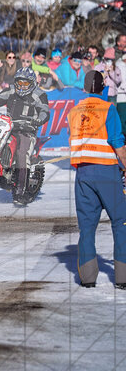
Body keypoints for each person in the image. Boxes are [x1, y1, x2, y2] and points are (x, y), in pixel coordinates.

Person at [68, 70, 126, 289]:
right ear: (104, 87)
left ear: (84, 88)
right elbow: (117, 143)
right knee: (121, 221)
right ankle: (122, 276)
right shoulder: (109, 109)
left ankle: (88, 278)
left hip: (83, 174)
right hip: (106, 173)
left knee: (87, 227)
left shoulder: (74, 111)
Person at [0, 68, 50, 204]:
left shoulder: (39, 94)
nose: (21, 87)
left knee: (22, 154)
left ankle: (20, 192)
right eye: (19, 83)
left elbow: (45, 110)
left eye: (25, 84)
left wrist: (39, 120)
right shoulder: (11, 90)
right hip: (8, 126)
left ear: (32, 83)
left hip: (27, 130)